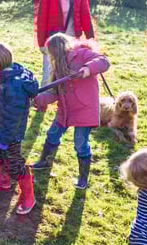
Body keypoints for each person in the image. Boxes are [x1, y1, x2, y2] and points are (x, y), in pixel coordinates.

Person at [31, 33, 110, 190]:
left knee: (80, 143)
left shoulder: (81, 54)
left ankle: (83, 177)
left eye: (52, 53)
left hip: (85, 109)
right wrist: (37, 99)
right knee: (52, 134)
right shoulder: (58, 67)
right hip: (66, 110)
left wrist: (87, 69)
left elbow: (103, 61)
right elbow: (53, 93)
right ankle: (45, 162)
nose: (52, 57)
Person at [0, 42, 39, 214]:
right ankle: (3, 179)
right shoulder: (9, 77)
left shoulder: (13, 86)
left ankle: (29, 196)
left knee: (15, 164)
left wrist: (5, 139)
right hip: (2, 128)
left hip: (10, 134)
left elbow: (13, 118)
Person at [34, 0, 95, 86]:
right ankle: (41, 103)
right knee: (48, 72)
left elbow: (85, 15)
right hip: (52, 37)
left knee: (68, 71)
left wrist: (90, 39)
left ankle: (66, 103)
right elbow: (41, 19)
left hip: (72, 37)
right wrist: (41, 43)